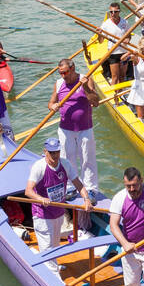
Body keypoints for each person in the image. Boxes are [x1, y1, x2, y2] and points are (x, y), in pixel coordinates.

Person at [25, 137, 92, 276]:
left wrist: (86, 199)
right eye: (51, 153)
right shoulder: (39, 167)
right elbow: (28, 191)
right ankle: (55, 279)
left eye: (57, 152)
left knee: (55, 245)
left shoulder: (65, 164)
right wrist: (40, 199)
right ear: (45, 152)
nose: (55, 156)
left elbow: (78, 184)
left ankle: (52, 265)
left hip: (58, 212)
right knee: (47, 249)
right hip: (42, 215)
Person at [48, 58, 100, 192]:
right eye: (60, 73)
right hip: (65, 129)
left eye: (65, 72)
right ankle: (70, 187)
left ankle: (90, 189)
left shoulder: (85, 79)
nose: (62, 76)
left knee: (88, 159)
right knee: (66, 159)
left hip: (85, 128)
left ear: (73, 69)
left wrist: (85, 88)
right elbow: (51, 103)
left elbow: (95, 102)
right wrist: (53, 106)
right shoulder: (59, 83)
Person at [99, 2, 131, 86]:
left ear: (119, 11)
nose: (113, 14)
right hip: (113, 53)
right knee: (115, 76)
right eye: (111, 12)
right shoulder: (106, 24)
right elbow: (101, 41)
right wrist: (99, 34)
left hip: (124, 52)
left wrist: (127, 39)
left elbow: (128, 36)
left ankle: (121, 93)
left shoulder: (125, 22)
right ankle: (115, 97)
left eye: (115, 12)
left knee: (122, 76)